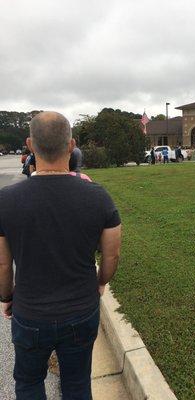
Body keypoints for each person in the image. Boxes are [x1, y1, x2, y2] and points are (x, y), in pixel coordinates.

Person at [0, 111, 121, 400]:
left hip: (30, 314)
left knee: (28, 382)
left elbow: (3, 263)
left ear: (30, 145)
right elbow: (111, 256)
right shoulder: (98, 196)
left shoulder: (6, 200)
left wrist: (7, 297)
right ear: (71, 145)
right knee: (78, 383)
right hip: (81, 310)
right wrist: (101, 282)